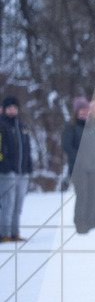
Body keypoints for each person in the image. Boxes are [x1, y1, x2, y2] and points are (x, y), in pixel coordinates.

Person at [64, 99, 95, 234]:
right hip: (79, 168)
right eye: (81, 110)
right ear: (76, 111)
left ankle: (92, 222)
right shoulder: (71, 126)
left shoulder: (93, 125)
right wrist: (79, 159)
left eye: (86, 110)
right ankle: (80, 224)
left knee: (94, 194)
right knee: (82, 195)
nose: (84, 112)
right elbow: (67, 146)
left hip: (94, 166)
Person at [0, 96, 32, 242]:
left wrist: (29, 166)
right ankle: (4, 233)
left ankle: (15, 233)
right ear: (4, 109)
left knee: (18, 205)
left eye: (14, 107)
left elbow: (27, 149)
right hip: (7, 173)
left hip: (22, 172)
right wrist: (5, 165)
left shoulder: (22, 127)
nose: (12, 110)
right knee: (8, 204)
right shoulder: (2, 126)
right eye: (9, 108)